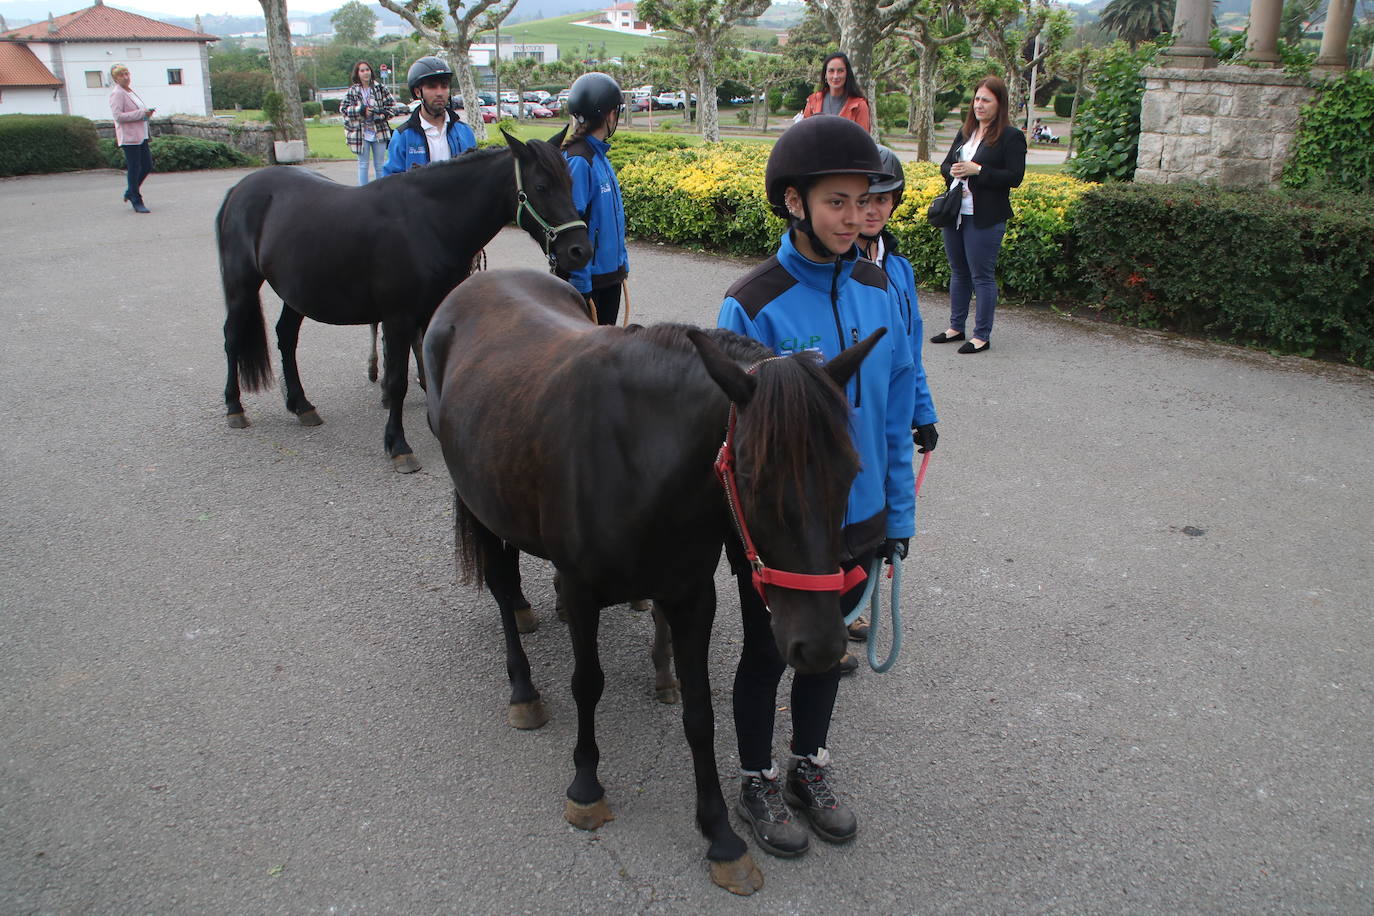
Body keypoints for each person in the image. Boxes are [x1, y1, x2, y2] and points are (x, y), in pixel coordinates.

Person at [717, 115, 916, 858]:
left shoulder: (880, 287)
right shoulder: (753, 302)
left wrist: (899, 510)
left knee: (828, 650)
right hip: (780, 527)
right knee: (766, 653)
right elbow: (737, 437)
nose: (853, 217)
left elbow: (896, 408)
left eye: (861, 200)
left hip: (856, 513)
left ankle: (809, 765)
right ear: (794, 202)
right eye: (836, 201)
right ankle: (756, 776)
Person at [930, 75, 1026, 354]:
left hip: (985, 215)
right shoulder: (966, 132)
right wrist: (955, 170)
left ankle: (981, 334)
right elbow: (946, 164)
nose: (979, 105)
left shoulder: (1011, 136)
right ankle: (955, 326)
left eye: (986, 100)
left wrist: (979, 170)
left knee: (981, 276)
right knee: (958, 271)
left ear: (999, 104)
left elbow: (1014, 177)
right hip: (956, 212)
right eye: (977, 99)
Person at [560, 71, 629, 326]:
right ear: (609, 114)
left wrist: (621, 262)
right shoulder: (580, 160)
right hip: (591, 282)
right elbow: (574, 225)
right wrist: (580, 281)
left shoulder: (598, 155)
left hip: (609, 275)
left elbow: (610, 218)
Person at [383, 56, 476, 176]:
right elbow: (390, 182)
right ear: (417, 92)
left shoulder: (465, 131)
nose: (439, 93)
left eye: (444, 86)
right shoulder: (403, 136)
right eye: (432, 87)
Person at [341, 60, 402, 185]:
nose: (365, 73)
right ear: (357, 73)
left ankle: (380, 192)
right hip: (361, 132)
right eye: (362, 70)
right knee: (363, 164)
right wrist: (360, 110)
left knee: (380, 164)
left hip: (379, 131)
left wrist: (381, 114)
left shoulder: (380, 88)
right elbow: (344, 109)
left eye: (367, 70)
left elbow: (392, 107)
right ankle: (363, 193)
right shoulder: (353, 91)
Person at [108, 64, 154, 214]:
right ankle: (136, 199)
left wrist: (146, 114)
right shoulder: (117, 93)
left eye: (127, 74)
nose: (126, 77)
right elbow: (118, 116)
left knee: (147, 165)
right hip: (130, 137)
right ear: (115, 78)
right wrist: (141, 114)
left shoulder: (129, 92)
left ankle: (130, 191)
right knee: (134, 168)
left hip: (141, 134)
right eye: (122, 75)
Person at [800, 52, 871, 132]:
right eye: (831, 71)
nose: (835, 76)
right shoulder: (813, 101)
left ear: (847, 74)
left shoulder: (859, 106)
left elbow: (863, 141)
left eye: (840, 71)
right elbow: (805, 135)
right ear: (825, 74)